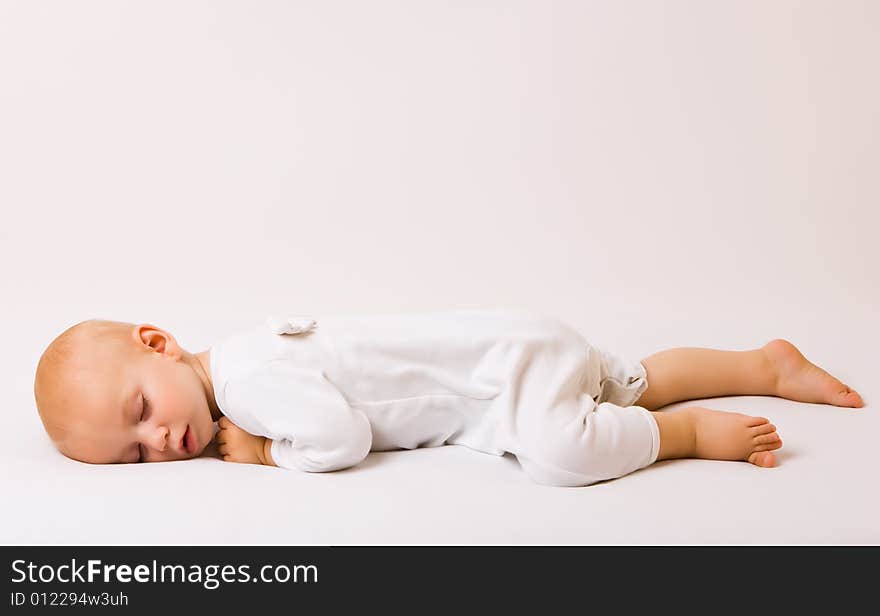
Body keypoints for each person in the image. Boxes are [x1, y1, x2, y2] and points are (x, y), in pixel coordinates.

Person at [32, 309, 864, 487]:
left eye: (142, 411)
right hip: (514, 347)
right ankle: (763, 363)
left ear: (159, 343)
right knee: (630, 374)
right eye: (135, 451)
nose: (162, 439)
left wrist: (265, 452)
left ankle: (679, 437)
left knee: (563, 454)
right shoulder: (247, 354)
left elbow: (342, 437)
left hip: (500, 388)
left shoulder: (247, 386)